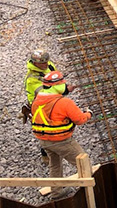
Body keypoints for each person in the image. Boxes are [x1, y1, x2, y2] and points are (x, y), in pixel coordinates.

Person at [31, 71, 92, 200]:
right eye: (63, 84)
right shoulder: (64, 103)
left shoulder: (38, 100)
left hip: (44, 141)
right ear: (57, 86)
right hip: (61, 141)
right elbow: (80, 119)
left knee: (55, 164)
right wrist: (88, 113)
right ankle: (90, 193)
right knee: (84, 164)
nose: (65, 85)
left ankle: (56, 192)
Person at [23, 50, 74, 164]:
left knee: (57, 122)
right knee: (43, 128)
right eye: (42, 63)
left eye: (46, 61)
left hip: (53, 101)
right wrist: (66, 89)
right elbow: (46, 93)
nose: (46, 64)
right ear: (35, 63)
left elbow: (56, 80)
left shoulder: (49, 65)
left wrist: (62, 85)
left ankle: (60, 141)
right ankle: (45, 153)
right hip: (39, 105)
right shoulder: (32, 79)